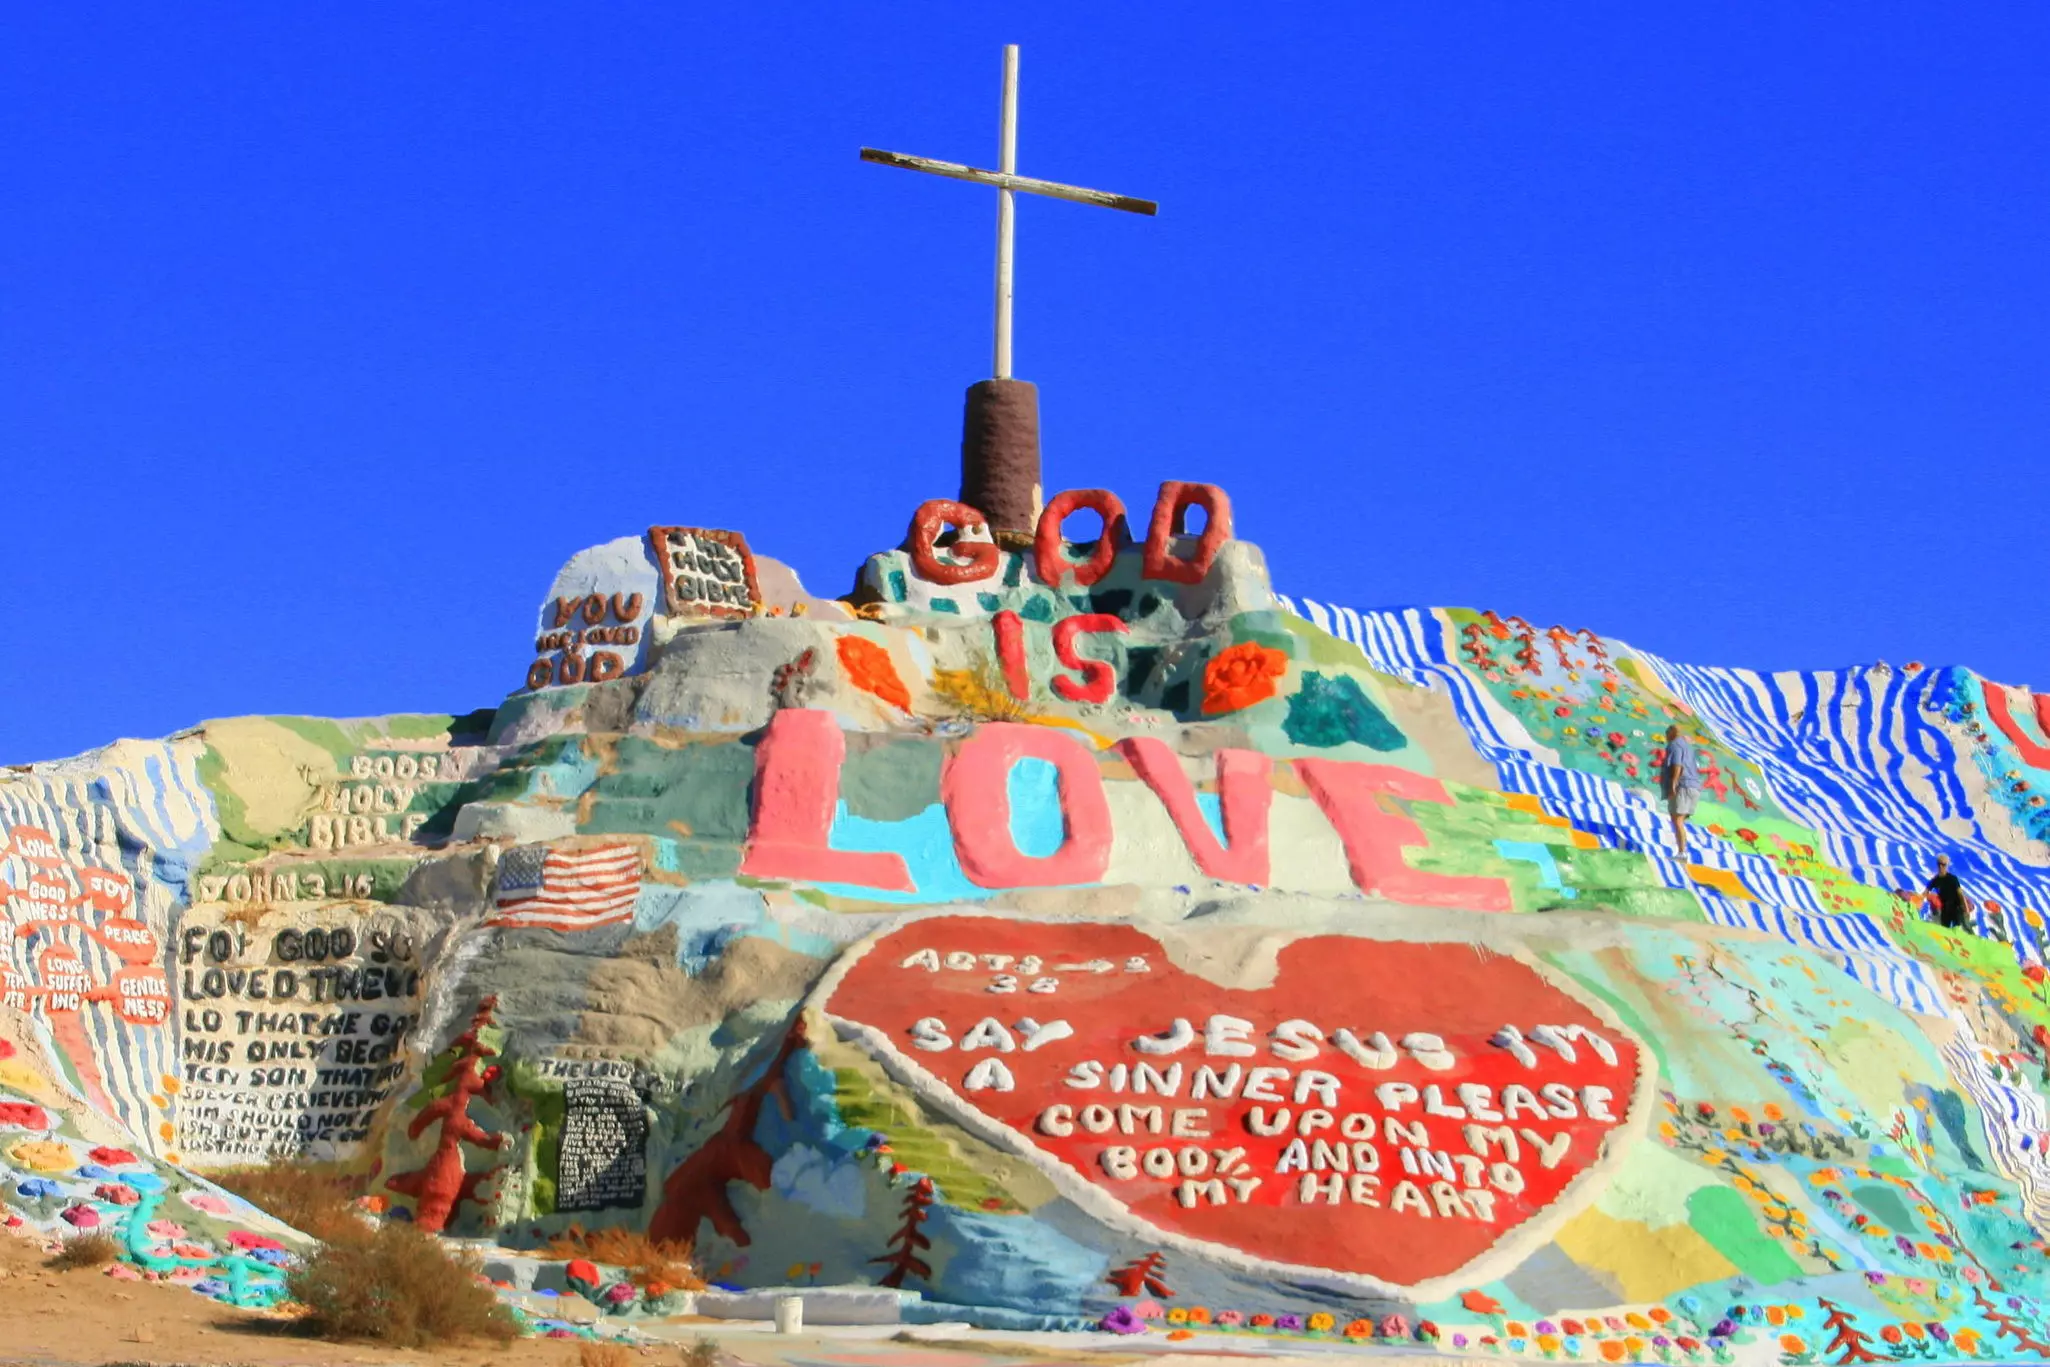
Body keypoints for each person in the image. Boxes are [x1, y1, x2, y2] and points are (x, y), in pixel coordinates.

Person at [1659, 724, 1702, 857]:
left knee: (1677, 819)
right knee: (1680, 820)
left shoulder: (1674, 745)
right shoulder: (1687, 747)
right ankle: (1682, 851)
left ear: (1671, 734)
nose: (1666, 738)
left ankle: (1682, 852)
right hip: (1694, 786)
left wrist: (1673, 784)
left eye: (1667, 735)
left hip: (1683, 786)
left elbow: (1677, 765)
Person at [1924, 855, 1972, 931]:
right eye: (1939, 864)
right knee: (1945, 931)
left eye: (1943, 864)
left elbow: (1960, 894)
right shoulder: (1935, 880)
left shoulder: (1952, 879)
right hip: (1945, 909)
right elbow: (1925, 892)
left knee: (1957, 930)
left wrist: (1966, 909)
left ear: (1947, 865)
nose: (1941, 866)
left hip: (1956, 908)